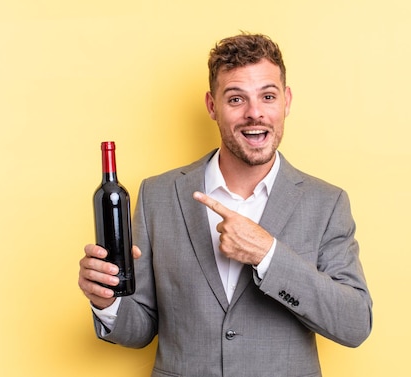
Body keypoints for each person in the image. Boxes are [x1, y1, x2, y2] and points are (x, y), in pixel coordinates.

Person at [78, 33, 372, 377]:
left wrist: (269, 255)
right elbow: (141, 326)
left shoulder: (326, 203)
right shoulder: (158, 195)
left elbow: (354, 323)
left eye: (268, 96)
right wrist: (107, 302)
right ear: (212, 105)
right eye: (236, 99)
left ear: (286, 101)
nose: (255, 113)